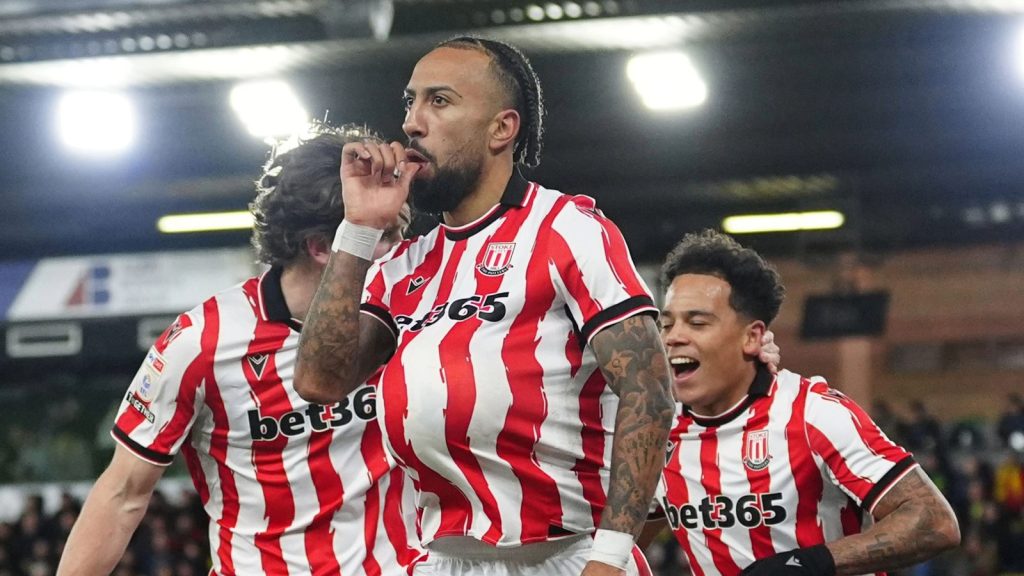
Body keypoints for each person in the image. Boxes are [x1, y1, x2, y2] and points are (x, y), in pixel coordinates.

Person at [293, 36, 780, 576]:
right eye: (410, 101)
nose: (411, 122)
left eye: (439, 100)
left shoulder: (567, 229)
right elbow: (320, 381)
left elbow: (649, 389)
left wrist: (610, 557)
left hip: (563, 556)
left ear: (501, 128)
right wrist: (357, 231)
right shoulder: (403, 266)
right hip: (440, 559)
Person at [57, 124, 424, 575]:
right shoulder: (203, 340)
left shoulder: (412, 311)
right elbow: (122, 495)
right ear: (321, 247)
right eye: (382, 236)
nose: (402, 251)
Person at [644, 229, 960, 576]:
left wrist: (810, 563)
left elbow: (934, 520)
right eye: (667, 323)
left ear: (752, 337)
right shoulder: (657, 437)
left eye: (697, 322)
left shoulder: (814, 414)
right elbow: (619, 542)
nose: (673, 337)